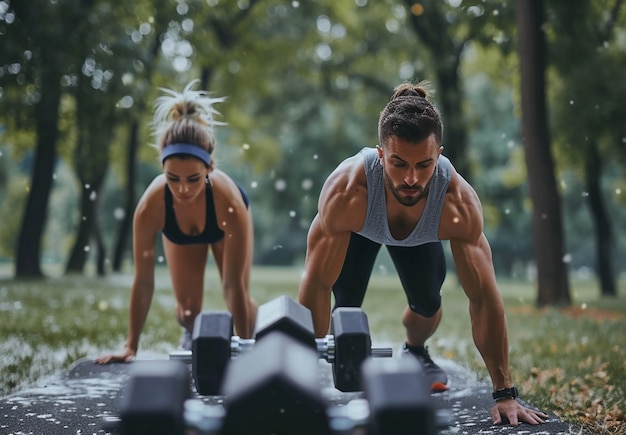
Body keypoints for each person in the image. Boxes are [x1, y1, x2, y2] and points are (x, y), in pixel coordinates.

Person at [297, 81, 549, 426]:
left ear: (440, 155)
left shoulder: (457, 204)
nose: (412, 179)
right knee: (344, 310)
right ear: (381, 153)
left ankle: (415, 350)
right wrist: (304, 386)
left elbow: (484, 299)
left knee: (428, 306)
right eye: (399, 164)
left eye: (424, 165)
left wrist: (505, 393)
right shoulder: (346, 193)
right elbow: (316, 285)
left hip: (422, 235)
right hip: (358, 230)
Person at [96, 80, 257, 364]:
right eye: (173, 179)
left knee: (238, 296)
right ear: (162, 169)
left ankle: (251, 337)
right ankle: (193, 334)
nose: (183, 190)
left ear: (209, 168)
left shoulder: (229, 203)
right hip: (180, 231)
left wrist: (245, 352)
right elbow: (144, 282)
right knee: (187, 311)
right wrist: (130, 346)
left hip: (223, 225)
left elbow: (233, 286)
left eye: (193, 179)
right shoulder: (150, 208)